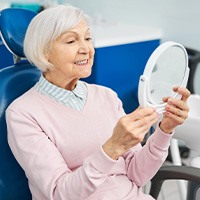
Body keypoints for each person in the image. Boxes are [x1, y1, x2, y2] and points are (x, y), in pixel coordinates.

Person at [6, 4, 190, 200]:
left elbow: (137, 175)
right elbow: (60, 193)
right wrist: (112, 148)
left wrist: (164, 130)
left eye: (87, 38)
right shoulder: (23, 113)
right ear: (45, 52)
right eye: (71, 41)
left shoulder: (106, 96)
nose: (86, 49)